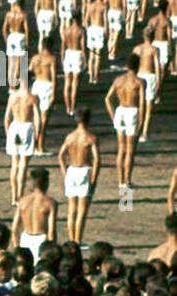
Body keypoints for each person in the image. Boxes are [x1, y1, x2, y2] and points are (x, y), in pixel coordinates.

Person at [58, 108, 100, 244]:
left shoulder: (70, 137)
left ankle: (71, 240)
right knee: (82, 209)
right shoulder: (90, 138)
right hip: (84, 170)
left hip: (72, 170)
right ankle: (78, 240)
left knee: (71, 209)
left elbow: (61, 155)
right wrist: (94, 177)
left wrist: (65, 172)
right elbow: (97, 160)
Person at [104, 54, 143, 189]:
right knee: (130, 150)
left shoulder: (118, 80)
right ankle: (127, 180)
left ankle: (121, 181)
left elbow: (108, 99)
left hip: (120, 110)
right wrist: (141, 122)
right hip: (132, 111)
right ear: (138, 65)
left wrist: (113, 115)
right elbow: (142, 104)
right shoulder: (139, 82)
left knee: (121, 148)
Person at [10, 167, 57, 261]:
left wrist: (16, 247)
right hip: (41, 239)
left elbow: (14, 229)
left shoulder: (23, 201)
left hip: (25, 237)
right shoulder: (50, 203)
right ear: (46, 183)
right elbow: (51, 231)